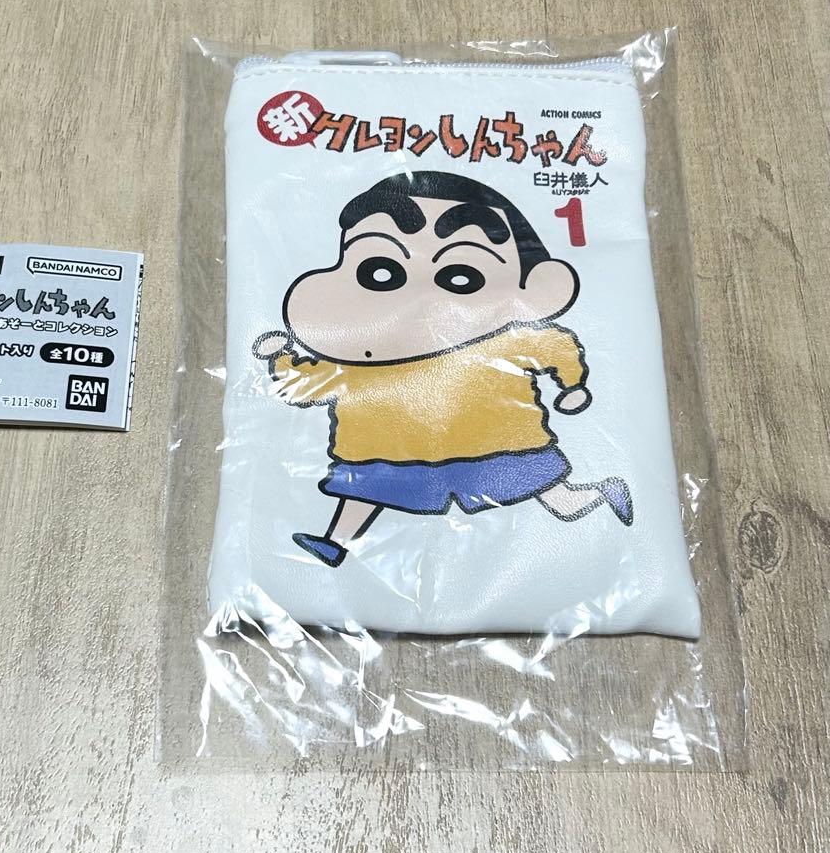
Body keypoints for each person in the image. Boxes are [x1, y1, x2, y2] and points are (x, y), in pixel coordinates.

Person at [253, 170, 632, 567]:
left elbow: (555, 347)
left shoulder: (508, 340)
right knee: (361, 493)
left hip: (499, 447)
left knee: (548, 489)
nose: (419, 299)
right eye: (378, 271)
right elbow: (306, 385)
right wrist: (280, 358)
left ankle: (596, 496)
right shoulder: (358, 359)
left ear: (535, 288)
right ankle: (335, 543)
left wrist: (572, 385)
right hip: (384, 455)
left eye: (461, 277)